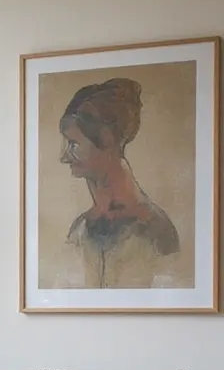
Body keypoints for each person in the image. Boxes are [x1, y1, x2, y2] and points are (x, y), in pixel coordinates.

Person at [59, 77, 179, 288]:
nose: (64, 156)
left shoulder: (156, 231)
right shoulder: (80, 230)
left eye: (73, 144)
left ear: (106, 139)